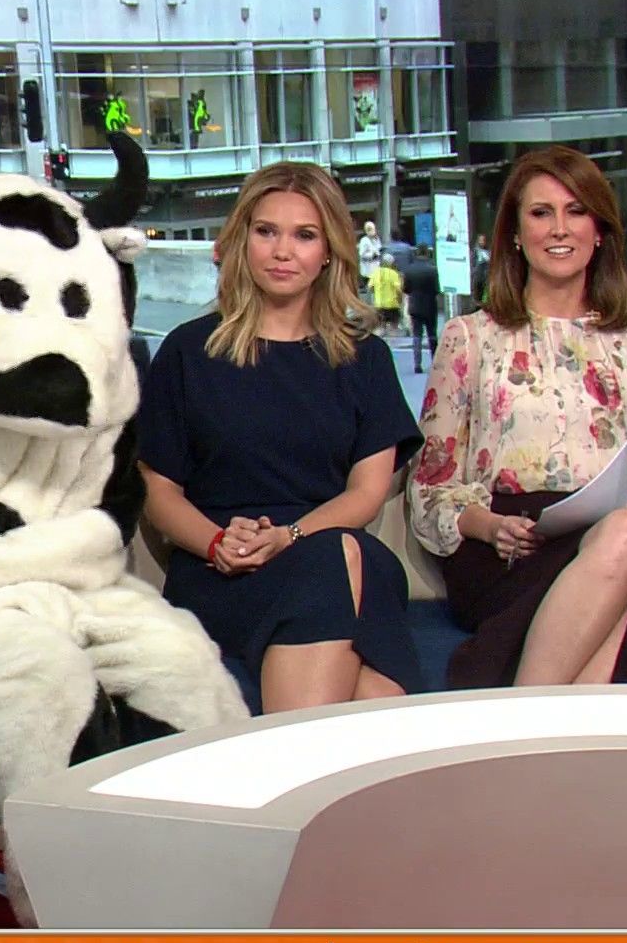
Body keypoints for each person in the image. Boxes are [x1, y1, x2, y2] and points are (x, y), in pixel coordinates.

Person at [139, 162, 425, 712]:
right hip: (220, 567)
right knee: (371, 693)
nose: (283, 251)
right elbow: (158, 490)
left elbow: (366, 494)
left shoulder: (365, 359)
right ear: (242, 240)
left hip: (330, 548)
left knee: (338, 555)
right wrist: (218, 544)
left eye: (305, 235)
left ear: (329, 252)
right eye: (267, 231)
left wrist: (290, 536)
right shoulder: (187, 352)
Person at [409, 146, 627, 689]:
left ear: (600, 230)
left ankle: (530, 710)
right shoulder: (469, 338)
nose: (559, 229)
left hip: (621, 530)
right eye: (541, 213)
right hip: (508, 545)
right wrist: (489, 526)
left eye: (576, 211)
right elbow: (431, 488)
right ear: (516, 234)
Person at [402, 246, 440, 372]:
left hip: (415, 305)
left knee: (417, 335)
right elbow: (436, 289)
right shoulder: (433, 269)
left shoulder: (409, 270)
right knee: (432, 334)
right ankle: (435, 362)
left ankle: (417, 364)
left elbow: (406, 289)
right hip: (430, 305)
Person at [370, 252, 404, 336]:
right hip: (392, 304)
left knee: (380, 327)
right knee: (393, 328)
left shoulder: (375, 273)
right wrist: (400, 300)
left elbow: (371, 287)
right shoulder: (393, 274)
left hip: (379, 304)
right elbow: (399, 290)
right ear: (391, 263)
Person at [357, 219, 383, 292]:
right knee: (369, 290)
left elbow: (379, 248)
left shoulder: (376, 239)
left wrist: (378, 253)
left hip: (376, 267)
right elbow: (361, 254)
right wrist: (372, 255)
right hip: (367, 269)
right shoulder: (364, 240)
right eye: (370, 230)